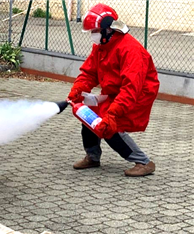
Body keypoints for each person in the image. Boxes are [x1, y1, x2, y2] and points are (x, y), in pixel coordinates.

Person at [67, 3, 160, 177]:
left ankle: (144, 162)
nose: (92, 35)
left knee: (110, 125)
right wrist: (77, 91)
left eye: (94, 31)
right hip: (117, 91)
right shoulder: (102, 46)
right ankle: (93, 156)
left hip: (138, 93)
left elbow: (131, 88)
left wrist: (113, 113)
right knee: (87, 113)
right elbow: (89, 72)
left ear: (108, 29)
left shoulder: (131, 50)